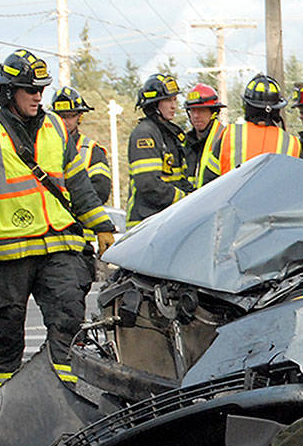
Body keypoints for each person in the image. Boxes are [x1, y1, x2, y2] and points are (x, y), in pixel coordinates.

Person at [0, 49, 115, 405]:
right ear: (9, 92)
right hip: (8, 249)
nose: (38, 96)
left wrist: (101, 226)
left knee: (69, 316)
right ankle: (5, 402)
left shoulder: (56, 127)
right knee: (8, 327)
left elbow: (79, 186)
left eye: (41, 88)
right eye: (30, 89)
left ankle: (60, 397)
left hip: (58, 244)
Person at [50, 86, 112, 295]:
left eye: (70, 116)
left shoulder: (91, 150)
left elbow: (100, 191)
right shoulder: (44, 147)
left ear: (79, 118)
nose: (64, 121)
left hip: (80, 240)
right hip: (50, 241)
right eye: (60, 116)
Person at [199, 73, 301, 185]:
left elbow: (208, 181)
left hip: (232, 202)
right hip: (278, 202)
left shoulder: (230, 134)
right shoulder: (293, 143)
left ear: (247, 106)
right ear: (277, 109)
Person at [126, 73, 191, 228]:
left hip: (164, 220)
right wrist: (184, 199)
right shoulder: (145, 134)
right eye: (168, 100)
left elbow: (178, 178)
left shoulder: (169, 134)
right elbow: (149, 184)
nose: (174, 106)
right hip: (146, 223)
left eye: (174, 99)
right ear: (154, 104)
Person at [182, 83, 226, 187]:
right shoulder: (185, 143)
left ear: (213, 113)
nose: (196, 116)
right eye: (193, 111)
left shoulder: (224, 138)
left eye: (201, 111)